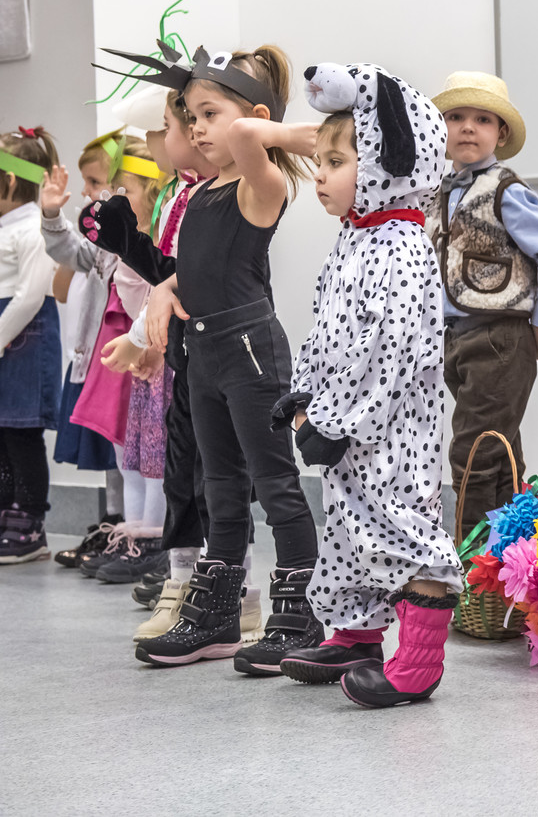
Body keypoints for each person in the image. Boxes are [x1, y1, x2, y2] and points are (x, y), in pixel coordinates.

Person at [98, 43, 323, 669]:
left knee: (275, 484)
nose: (196, 128)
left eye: (208, 114)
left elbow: (250, 135)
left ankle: (298, 616)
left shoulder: (261, 185)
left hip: (250, 350)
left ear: (254, 118)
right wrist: (138, 278)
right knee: (219, 486)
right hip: (203, 354)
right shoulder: (198, 195)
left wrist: (250, 117)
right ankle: (219, 616)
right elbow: (187, 277)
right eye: (190, 116)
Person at [263, 64, 465, 708]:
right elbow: (327, 328)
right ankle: (356, 636)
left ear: (386, 164)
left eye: (336, 162)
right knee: (349, 525)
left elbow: (391, 350)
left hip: (392, 429)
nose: (320, 176)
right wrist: (304, 394)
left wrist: (338, 420)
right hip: (345, 424)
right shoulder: (355, 238)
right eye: (319, 162)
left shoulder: (402, 245)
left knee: (399, 525)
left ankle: (420, 664)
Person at [428, 71, 538, 535]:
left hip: (499, 337)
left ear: (501, 133)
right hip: (457, 337)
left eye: (483, 119)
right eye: (455, 117)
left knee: (472, 453)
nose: (468, 128)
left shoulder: (506, 190)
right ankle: (510, 556)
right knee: (498, 449)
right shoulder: (439, 191)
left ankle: (468, 560)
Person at [39, 134, 160, 581]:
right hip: (113, 349)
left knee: (150, 450)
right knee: (123, 448)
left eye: (101, 184)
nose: (95, 194)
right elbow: (72, 253)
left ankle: (151, 538)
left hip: (148, 350)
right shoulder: (107, 240)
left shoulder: (158, 234)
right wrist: (52, 216)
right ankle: (129, 532)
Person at [0, 127, 62, 564]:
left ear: (8, 181)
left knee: (22, 432)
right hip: (8, 336)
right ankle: (6, 510)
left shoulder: (33, 228)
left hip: (24, 338)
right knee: (3, 431)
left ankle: (30, 522)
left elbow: (30, 296)